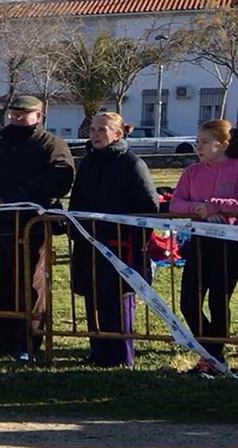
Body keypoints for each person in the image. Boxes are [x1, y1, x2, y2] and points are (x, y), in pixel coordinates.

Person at [0, 95, 74, 362]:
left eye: (23, 115)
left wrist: (26, 191)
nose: (16, 119)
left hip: (31, 228)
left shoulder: (51, 144)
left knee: (31, 287)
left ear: (38, 116)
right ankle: (3, 340)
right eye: (14, 115)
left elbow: (62, 176)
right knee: (1, 287)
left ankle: (29, 342)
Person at [68, 112, 158, 369]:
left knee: (117, 298)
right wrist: (76, 229)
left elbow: (149, 205)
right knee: (92, 294)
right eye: (93, 129)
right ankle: (98, 350)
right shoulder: (88, 162)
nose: (95, 134)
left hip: (120, 244)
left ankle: (120, 355)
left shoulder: (131, 163)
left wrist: (136, 238)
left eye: (102, 130)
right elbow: (78, 199)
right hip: (89, 241)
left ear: (118, 134)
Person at [171, 119, 238, 375]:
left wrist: (216, 204)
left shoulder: (235, 168)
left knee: (219, 301)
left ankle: (213, 357)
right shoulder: (192, 172)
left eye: (205, 142)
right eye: (197, 142)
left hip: (229, 244)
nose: (199, 147)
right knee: (189, 301)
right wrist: (198, 207)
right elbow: (176, 203)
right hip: (199, 243)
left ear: (222, 144)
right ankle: (211, 351)